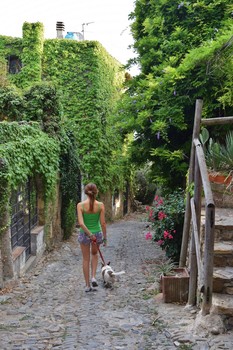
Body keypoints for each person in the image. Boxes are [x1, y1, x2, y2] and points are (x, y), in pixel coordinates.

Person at [77, 183, 107, 292]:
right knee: (94, 254)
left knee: (85, 259)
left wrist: (89, 234)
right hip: (97, 234)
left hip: (84, 234)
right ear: (96, 192)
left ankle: (87, 285)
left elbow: (81, 223)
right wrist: (105, 238)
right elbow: (103, 223)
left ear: (85, 192)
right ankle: (93, 277)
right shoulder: (100, 205)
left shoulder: (80, 205)